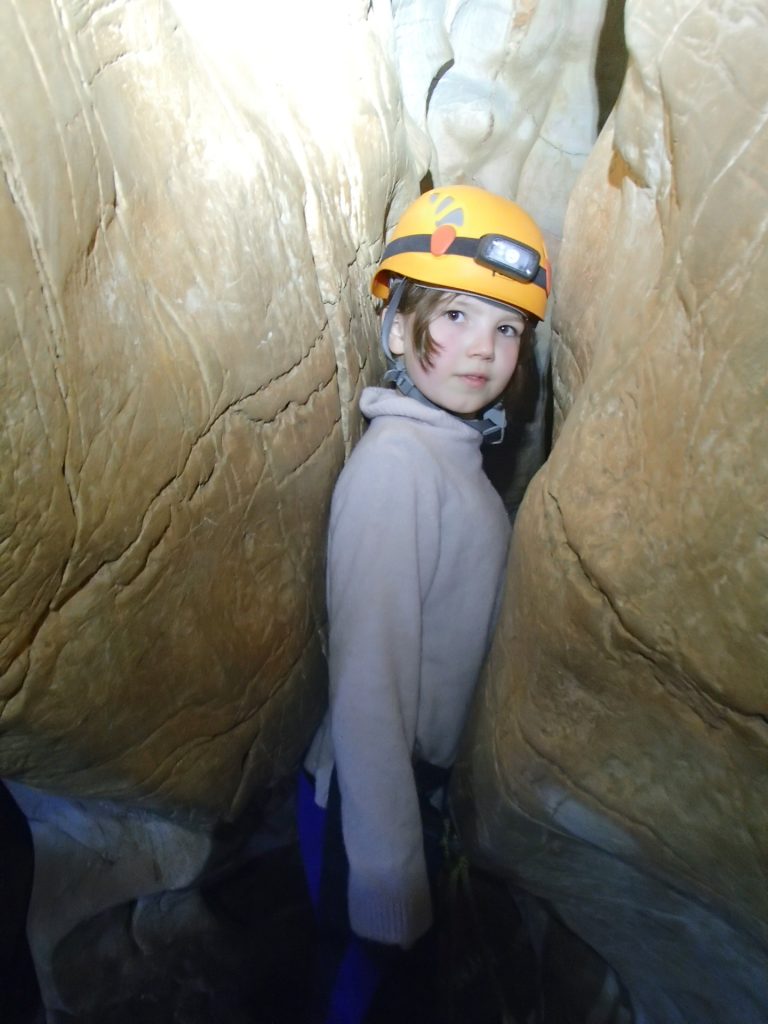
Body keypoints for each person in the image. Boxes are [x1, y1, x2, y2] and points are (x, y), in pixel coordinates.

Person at [297, 184, 551, 1023]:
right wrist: (389, 878)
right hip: (369, 803)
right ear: (400, 328)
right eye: (456, 316)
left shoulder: (452, 462)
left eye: (507, 328)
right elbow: (368, 684)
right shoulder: (398, 468)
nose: (482, 347)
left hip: (409, 797)